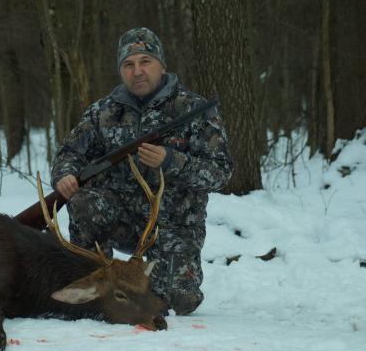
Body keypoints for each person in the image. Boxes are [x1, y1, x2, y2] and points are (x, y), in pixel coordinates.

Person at [51, 27, 233, 315]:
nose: (137, 71)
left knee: (174, 302)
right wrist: (65, 175)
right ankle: (95, 278)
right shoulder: (102, 112)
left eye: (145, 61)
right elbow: (69, 153)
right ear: (121, 71)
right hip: (119, 218)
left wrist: (171, 161)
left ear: (162, 66)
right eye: (128, 64)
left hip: (172, 228)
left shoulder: (194, 110)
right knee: (84, 203)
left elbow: (221, 172)